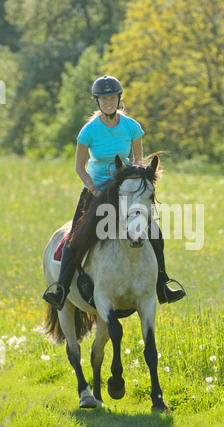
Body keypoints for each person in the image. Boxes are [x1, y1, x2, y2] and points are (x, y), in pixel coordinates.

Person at [43, 75, 186, 310]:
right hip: (96, 191)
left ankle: (162, 284)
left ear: (118, 99)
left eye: (112, 97)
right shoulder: (89, 131)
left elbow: (139, 163)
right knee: (75, 239)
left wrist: (139, 187)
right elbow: (79, 166)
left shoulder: (132, 127)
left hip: (126, 191)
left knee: (155, 234)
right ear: (97, 102)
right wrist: (94, 190)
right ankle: (61, 289)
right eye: (103, 98)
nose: (108, 102)